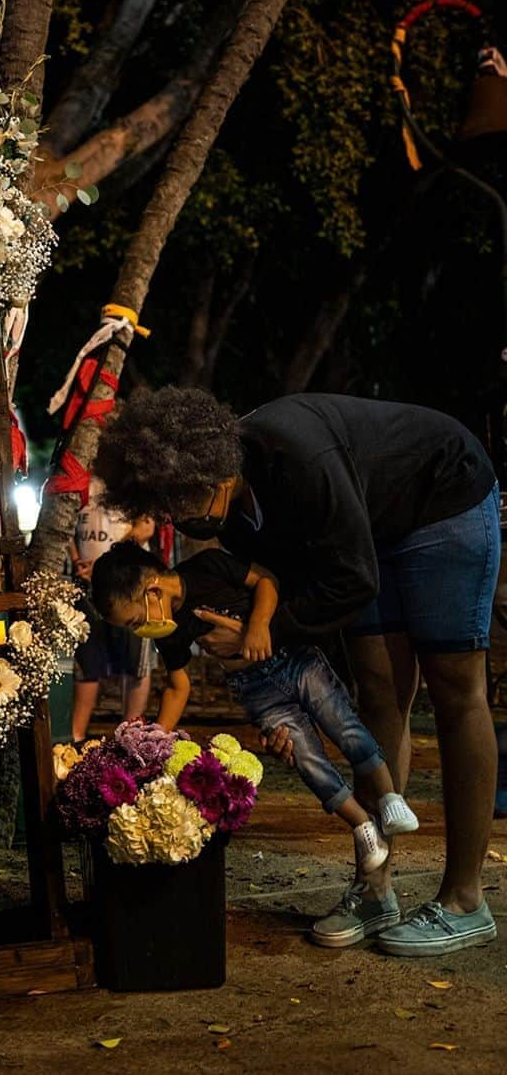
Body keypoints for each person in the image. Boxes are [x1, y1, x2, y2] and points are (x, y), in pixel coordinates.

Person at [95, 387, 499, 957]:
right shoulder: (229, 517)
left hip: (441, 494)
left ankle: (464, 900)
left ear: (214, 474)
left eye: (181, 504)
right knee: (379, 693)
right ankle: (374, 885)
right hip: (368, 528)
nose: (177, 519)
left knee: (456, 690)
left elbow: (351, 581)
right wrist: (277, 691)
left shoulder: (298, 455)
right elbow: (295, 585)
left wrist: (265, 636)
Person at [93, 541, 419, 888]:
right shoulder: (170, 630)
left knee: (345, 725)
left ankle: (390, 798)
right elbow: (178, 686)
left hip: (294, 659)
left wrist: (259, 625)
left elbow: (265, 581)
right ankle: (362, 827)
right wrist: (155, 740)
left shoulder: (208, 566)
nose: (138, 630)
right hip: (255, 689)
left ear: (151, 590)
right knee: (307, 759)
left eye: (135, 621)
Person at [70, 478, 155, 741]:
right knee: (87, 658)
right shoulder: (77, 478)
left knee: (135, 661)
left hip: (128, 582)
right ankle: (76, 735)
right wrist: (78, 561)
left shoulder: (134, 481)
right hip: (86, 582)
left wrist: (105, 564)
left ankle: (130, 735)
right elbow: (64, 527)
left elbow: (145, 527)